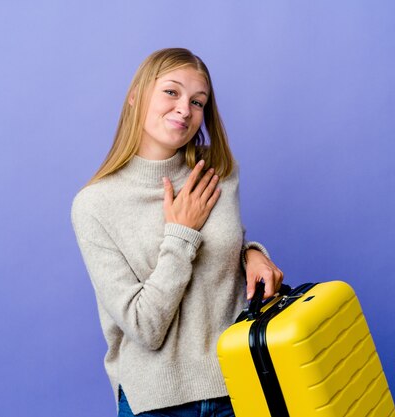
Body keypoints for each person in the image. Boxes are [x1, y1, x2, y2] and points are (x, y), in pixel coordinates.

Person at [71, 47, 284, 417]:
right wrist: (181, 233)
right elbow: (145, 327)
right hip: (158, 404)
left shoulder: (218, 170)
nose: (185, 109)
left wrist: (252, 253)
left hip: (241, 385)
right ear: (136, 96)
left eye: (198, 102)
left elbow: (224, 248)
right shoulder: (94, 205)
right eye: (171, 92)